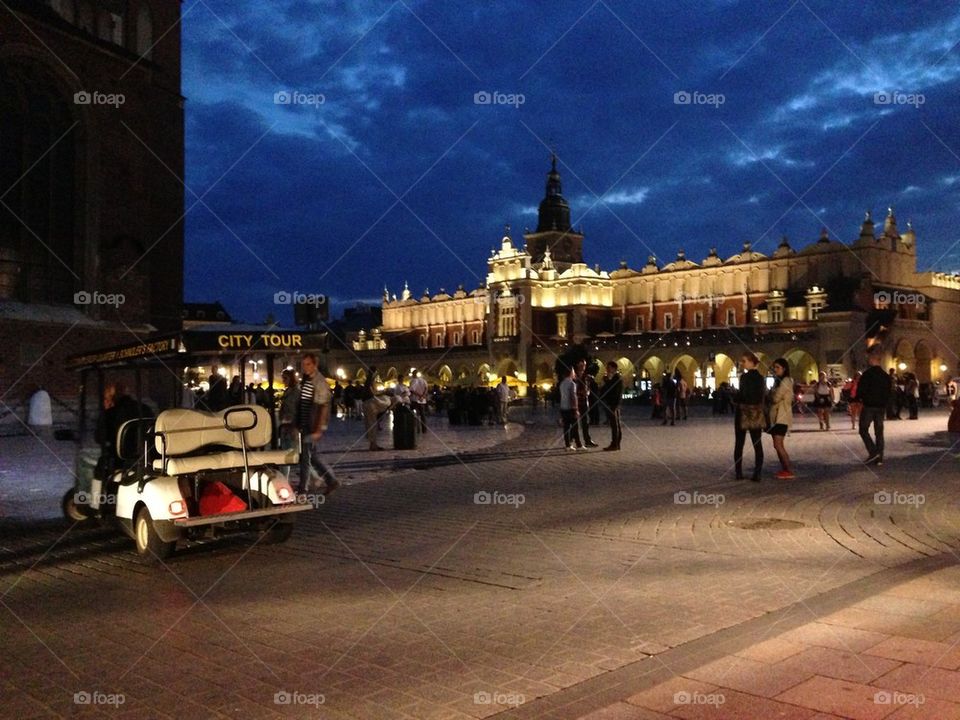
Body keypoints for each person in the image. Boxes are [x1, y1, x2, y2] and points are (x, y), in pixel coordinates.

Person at [297, 353, 340, 495]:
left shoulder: (319, 382)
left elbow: (323, 407)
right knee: (311, 456)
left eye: (308, 364)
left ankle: (303, 489)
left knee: (305, 457)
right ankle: (331, 480)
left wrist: (318, 429)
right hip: (305, 423)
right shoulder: (307, 380)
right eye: (303, 364)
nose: (305, 367)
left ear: (315, 365)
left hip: (312, 424)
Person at [854, 348, 891, 465]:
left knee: (863, 429)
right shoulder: (885, 376)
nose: (868, 359)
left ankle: (873, 451)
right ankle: (879, 457)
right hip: (881, 407)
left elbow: (861, 390)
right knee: (879, 432)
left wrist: (859, 399)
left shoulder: (867, 374)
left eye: (869, 358)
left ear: (873, 359)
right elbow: (889, 392)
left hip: (869, 406)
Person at [733, 352, 765, 481]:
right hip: (756, 412)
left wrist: (736, 398)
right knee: (757, 443)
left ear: (752, 362)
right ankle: (757, 473)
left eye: (744, 361)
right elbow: (761, 396)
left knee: (739, 443)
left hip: (743, 412)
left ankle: (738, 472)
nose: (742, 363)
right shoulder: (761, 378)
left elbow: (743, 395)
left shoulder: (744, 378)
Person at [768, 358, 795, 479]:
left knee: (778, 444)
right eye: (774, 367)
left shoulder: (786, 381)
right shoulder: (778, 381)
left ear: (784, 368)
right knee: (776, 444)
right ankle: (784, 469)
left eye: (777, 367)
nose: (775, 369)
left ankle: (788, 470)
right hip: (776, 417)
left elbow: (775, 398)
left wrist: (772, 394)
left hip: (782, 417)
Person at [599, 360, 623, 451]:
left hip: (613, 405)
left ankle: (615, 444)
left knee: (615, 425)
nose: (607, 370)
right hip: (614, 404)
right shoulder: (614, 378)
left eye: (609, 368)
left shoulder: (616, 378)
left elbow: (614, 392)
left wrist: (606, 381)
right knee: (616, 424)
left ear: (614, 368)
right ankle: (616, 444)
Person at [575, 359, 598, 447]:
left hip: (584, 402)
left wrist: (587, 392)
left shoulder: (586, 377)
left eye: (584, 365)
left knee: (585, 422)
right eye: (581, 365)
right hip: (576, 402)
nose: (582, 367)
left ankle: (587, 440)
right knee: (575, 423)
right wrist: (580, 392)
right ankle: (575, 441)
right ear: (577, 366)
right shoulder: (574, 376)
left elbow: (589, 388)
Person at [559, 364, 582, 450]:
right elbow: (573, 396)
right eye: (573, 371)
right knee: (575, 427)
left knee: (566, 428)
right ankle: (578, 445)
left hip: (563, 408)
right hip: (571, 409)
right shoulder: (572, 384)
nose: (574, 373)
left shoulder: (562, 383)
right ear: (570, 373)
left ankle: (568, 445)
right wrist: (576, 409)